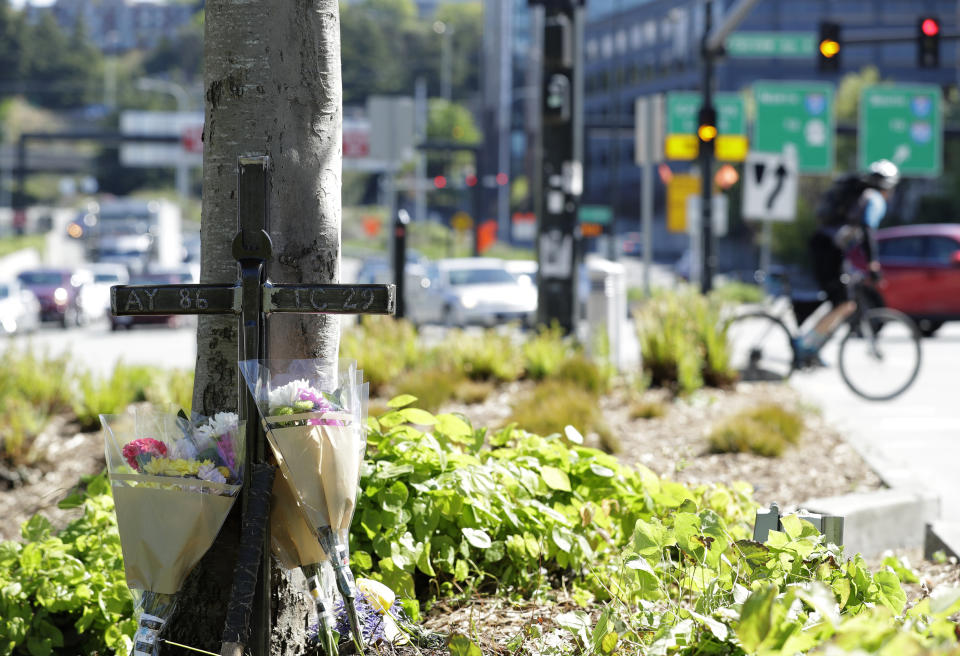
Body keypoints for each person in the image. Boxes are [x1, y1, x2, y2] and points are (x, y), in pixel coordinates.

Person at [796, 159, 900, 364]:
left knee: (843, 302)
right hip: (830, 250)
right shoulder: (873, 199)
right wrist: (873, 265)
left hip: (825, 247)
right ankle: (805, 344)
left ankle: (812, 347)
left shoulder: (858, 194)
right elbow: (867, 231)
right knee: (845, 303)